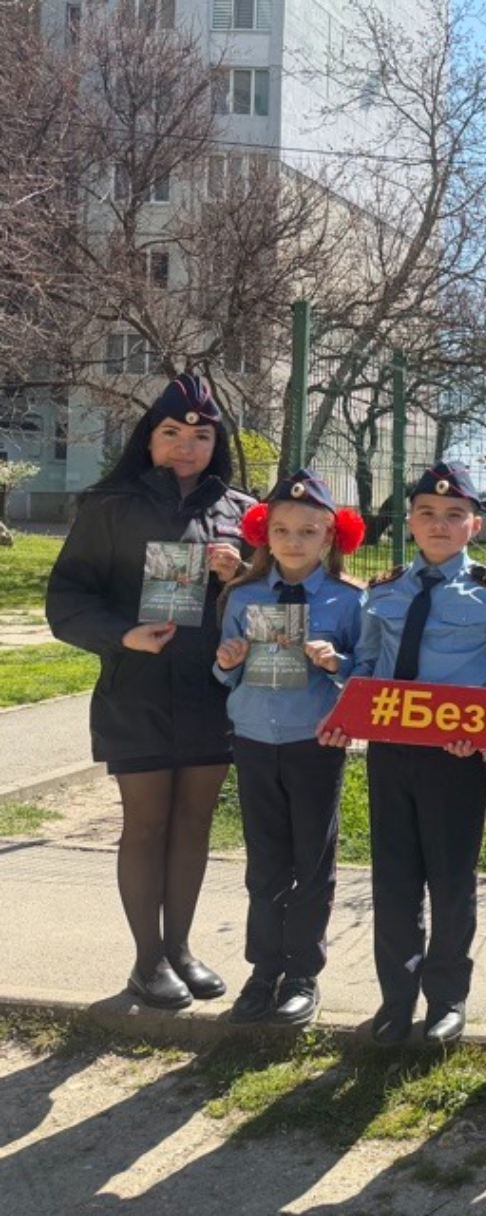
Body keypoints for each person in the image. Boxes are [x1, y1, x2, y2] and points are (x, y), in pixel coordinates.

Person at [46, 373, 253, 1011]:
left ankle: (182, 948)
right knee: (146, 824)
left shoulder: (242, 511)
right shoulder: (108, 505)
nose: (186, 446)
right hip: (134, 691)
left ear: (216, 443)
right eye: (171, 433)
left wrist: (240, 573)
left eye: (201, 436)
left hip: (210, 692)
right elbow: (66, 602)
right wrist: (123, 635)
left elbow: (272, 598)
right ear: (149, 438)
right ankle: (147, 960)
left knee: (194, 824)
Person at [323, 460, 486, 1046]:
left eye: (454, 515)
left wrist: (484, 722)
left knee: (451, 880)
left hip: (455, 757)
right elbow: (367, 664)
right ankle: (396, 999)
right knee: (394, 879)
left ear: (474, 526)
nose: (440, 524)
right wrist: (340, 678)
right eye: (428, 513)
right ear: (410, 521)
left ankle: (447, 998)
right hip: (390, 752)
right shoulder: (385, 589)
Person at [213, 470, 366, 1027]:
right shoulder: (243, 596)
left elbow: (365, 674)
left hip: (313, 742)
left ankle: (303, 974)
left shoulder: (350, 601)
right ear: (264, 534)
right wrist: (227, 662)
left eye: (308, 531)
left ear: (330, 536)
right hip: (254, 738)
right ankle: (263, 970)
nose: (294, 541)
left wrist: (336, 663)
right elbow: (224, 672)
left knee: (312, 861)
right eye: (281, 530)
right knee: (264, 862)